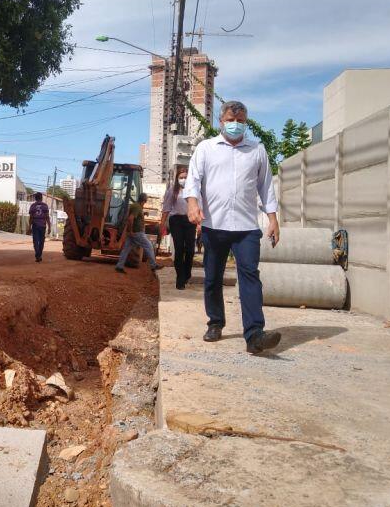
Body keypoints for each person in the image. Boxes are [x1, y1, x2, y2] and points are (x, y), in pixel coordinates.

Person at [183, 100, 282, 354]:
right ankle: (215, 322)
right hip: (214, 226)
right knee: (213, 277)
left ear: (246, 123)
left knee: (250, 276)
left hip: (246, 226)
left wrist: (272, 218)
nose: (235, 125)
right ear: (221, 121)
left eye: (240, 121)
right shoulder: (206, 148)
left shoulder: (257, 150)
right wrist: (193, 204)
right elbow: (193, 180)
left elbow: (266, 187)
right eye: (230, 120)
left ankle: (254, 334)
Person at [160, 165, 197, 290]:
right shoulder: (172, 190)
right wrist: (162, 224)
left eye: (186, 177)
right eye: (181, 177)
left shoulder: (194, 190)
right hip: (176, 221)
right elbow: (166, 208)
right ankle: (180, 279)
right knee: (179, 249)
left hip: (190, 220)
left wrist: (200, 224)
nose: (183, 179)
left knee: (191, 250)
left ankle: (187, 273)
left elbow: (199, 207)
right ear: (177, 179)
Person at [115, 193, 162, 274]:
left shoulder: (136, 206)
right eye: (145, 201)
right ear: (143, 200)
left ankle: (119, 266)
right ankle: (153, 265)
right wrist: (131, 231)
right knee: (149, 246)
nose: (145, 202)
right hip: (137, 233)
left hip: (133, 233)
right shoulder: (137, 207)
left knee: (126, 249)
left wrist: (143, 214)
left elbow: (134, 217)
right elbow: (130, 219)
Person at [28, 192, 50, 262]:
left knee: (35, 241)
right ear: (41, 198)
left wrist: (29, 227)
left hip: (35, 225)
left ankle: (37, 255)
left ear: (35, 198)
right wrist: (49, 226)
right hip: (43, 226)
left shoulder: (33, 206)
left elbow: (31, 217)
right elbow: (47, 217)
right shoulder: (45, 206)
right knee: (41, 241)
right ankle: (39, 255)